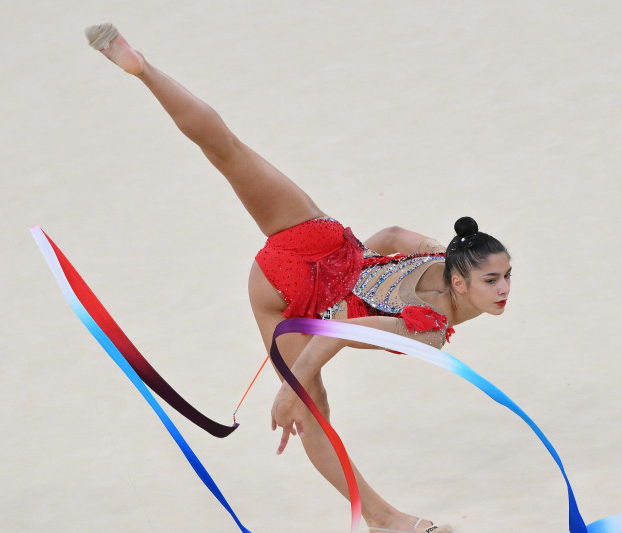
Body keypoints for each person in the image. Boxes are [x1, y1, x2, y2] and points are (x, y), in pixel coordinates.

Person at [86, 23, 512, 533]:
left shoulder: (445, 260)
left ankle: (144, 70)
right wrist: (292, 387)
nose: (505, 289)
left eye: (507, 277)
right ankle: (385, 521)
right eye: (493, 280)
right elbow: (334, 334)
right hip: (287, 296)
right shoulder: (429, 330)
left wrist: (373, 258)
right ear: (462, 285)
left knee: (228, 151)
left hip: (317, 244)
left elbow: (391, 234)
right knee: (311, 411)